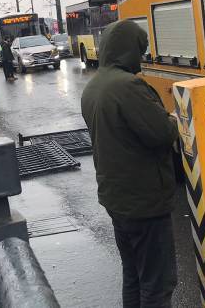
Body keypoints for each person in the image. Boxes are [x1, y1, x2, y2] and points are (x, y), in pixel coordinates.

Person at [81, 20, 179, 308]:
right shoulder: (129, 86)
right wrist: (173, 121)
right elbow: (161, 134)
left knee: (133, 275)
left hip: (117, 200)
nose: (142, 56)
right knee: (158, 283)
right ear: (127, 50)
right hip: (144, 201)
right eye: (140, 49)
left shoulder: (94, 86)